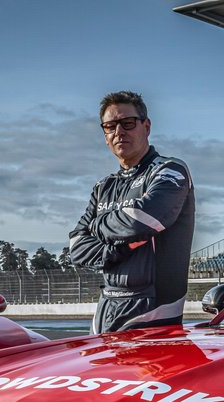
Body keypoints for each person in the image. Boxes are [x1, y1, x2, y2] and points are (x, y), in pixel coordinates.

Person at [69, 91, 195, 334]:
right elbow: (76, 246)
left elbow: (144, 219)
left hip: (154, 315)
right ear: (105, 134)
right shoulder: (103, 187)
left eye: (128, 123)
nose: (119, 132)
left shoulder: (171, 170)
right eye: (110, 126)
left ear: (146, 127)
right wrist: (118, 248)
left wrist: (97, 225)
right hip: (104, 315)